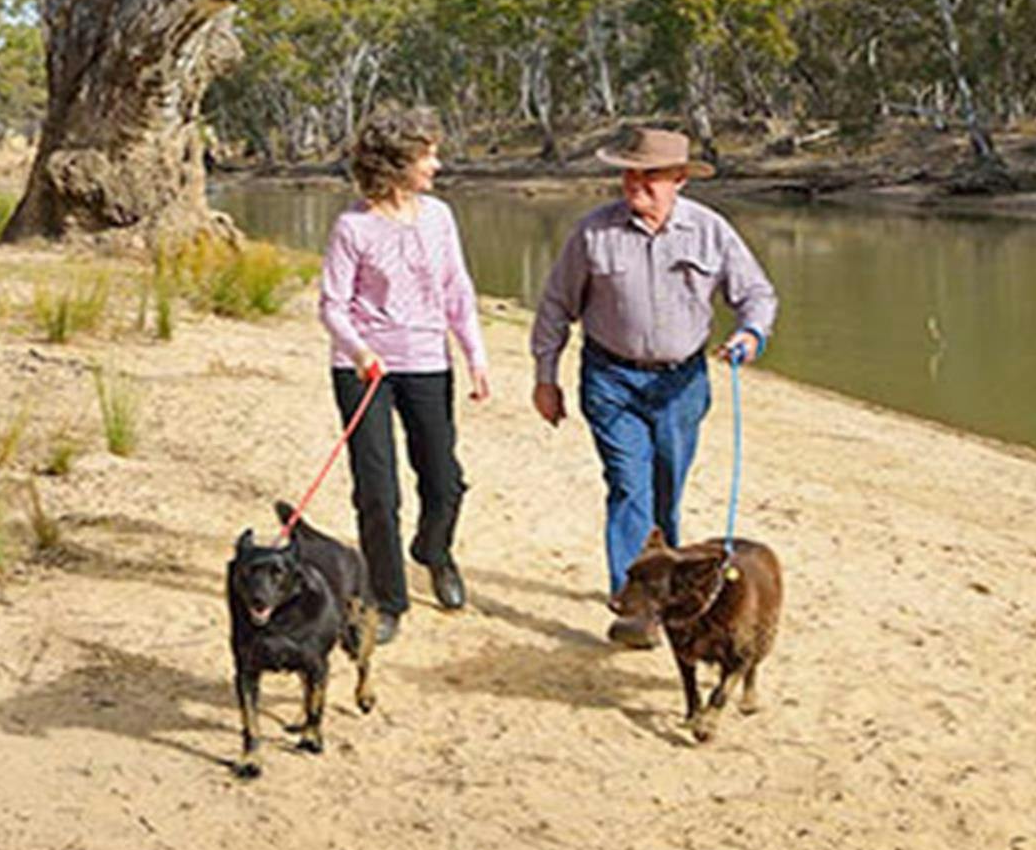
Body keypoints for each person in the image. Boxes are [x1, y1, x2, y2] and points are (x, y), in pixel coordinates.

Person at [529, 126, 777, 648]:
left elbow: (756, 294)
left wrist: (750, 334)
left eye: (649, 175)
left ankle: (666, 586)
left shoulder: (711, 232)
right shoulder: (593, 233)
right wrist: (545, 377)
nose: (634, 183)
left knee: (667, 491)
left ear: (680, 180)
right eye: (629, 172)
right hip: (610, 379)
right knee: (628, 487)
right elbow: (555, 306)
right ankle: (636, 609)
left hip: (681, 384)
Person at [319, 109, 491, 642]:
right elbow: (331, 305)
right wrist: (361, 351)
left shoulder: (439, 217)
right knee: (377, 490)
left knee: (444, 480)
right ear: (395, 165)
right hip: (363, 369)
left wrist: (476, 357)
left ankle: (434, 552)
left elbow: (458, 291)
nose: (436, 165)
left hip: (427, 363)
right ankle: (388, 598)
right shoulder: (353, 227)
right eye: (426, 155)